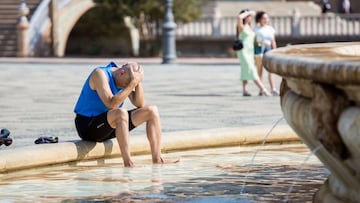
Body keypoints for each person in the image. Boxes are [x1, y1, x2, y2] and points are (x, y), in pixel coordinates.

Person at [74, 61, 174, 167]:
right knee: (121, 113)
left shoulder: (125, 78)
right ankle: (128, 163)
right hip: (88, 126)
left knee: (151, 111)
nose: (128, 86)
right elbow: (111, 105)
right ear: (121, 72)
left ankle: (157, 159)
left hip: (109, 125)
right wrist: (131, 84)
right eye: (127, 83)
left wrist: (137, 82)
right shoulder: (100, 74)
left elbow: (139, 103)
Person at [236, 9, 270, 97]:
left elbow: (254, 40)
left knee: (245, 70)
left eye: (250, 16)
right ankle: (263, 89)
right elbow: (239, 17)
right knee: (252, 70)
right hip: (243, 51)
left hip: (250, 51)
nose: (250, 18)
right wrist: (248, 12)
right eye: (248, 16)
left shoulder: (250, 27)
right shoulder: (241, 26)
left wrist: (263, 43)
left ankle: (245, 90)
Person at [254, 11, 279, 96]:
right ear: (259, 19)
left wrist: (275, 51)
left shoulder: (270, 29)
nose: (266, 20)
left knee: (270, 70)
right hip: (260, 50)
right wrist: (263, 43)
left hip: (269, 50)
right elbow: (256, 42)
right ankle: (261, 89)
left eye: (267, 18)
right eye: (264, 18)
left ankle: (273, 89)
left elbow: (273, 41)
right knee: (260, 70)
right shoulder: (256, 29)